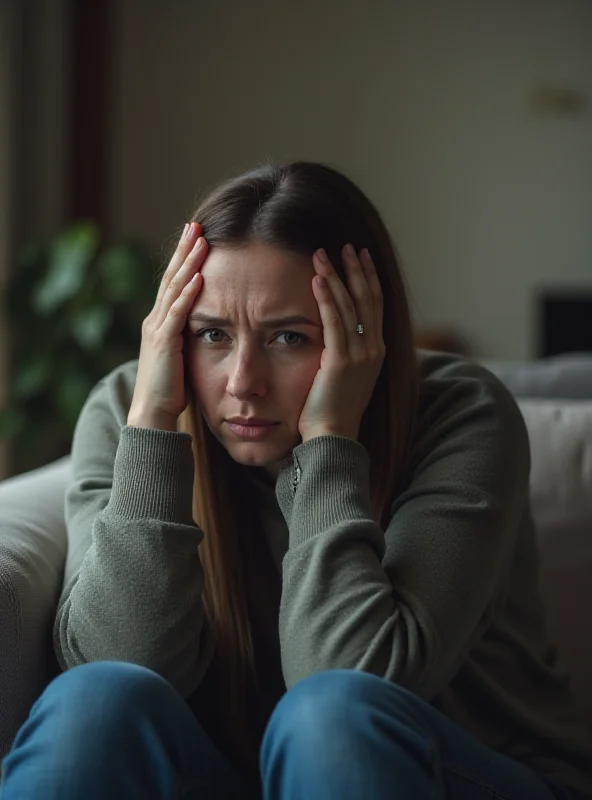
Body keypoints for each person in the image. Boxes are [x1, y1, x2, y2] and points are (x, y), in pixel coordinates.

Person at [1, 161, 591, 800]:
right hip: (234, 777)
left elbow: (349, 680)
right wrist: (151, 428)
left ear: (362, 336)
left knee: (329, 718)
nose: (242, 381)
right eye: (211, 335)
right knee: (96, 698)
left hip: (459, 774)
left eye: (288, 336)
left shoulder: (461, 416)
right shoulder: (132, 407)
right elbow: (120, 661)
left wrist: (331, 441)